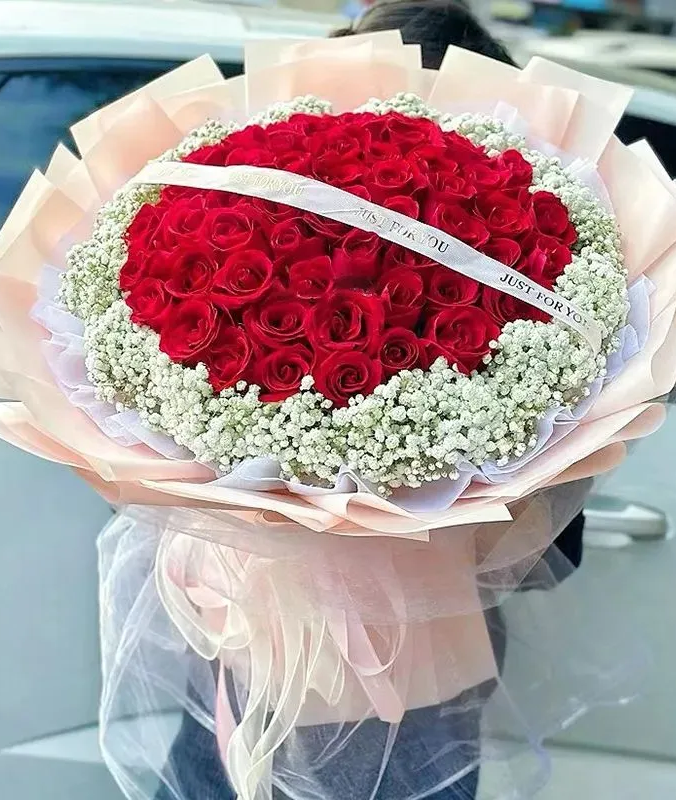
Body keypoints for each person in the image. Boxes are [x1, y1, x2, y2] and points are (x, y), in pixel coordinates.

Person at [154, 2, 586, 798]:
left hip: (276, 669)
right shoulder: (541, 305)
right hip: (401, 684)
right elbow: (541, 560)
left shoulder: (529, 295)